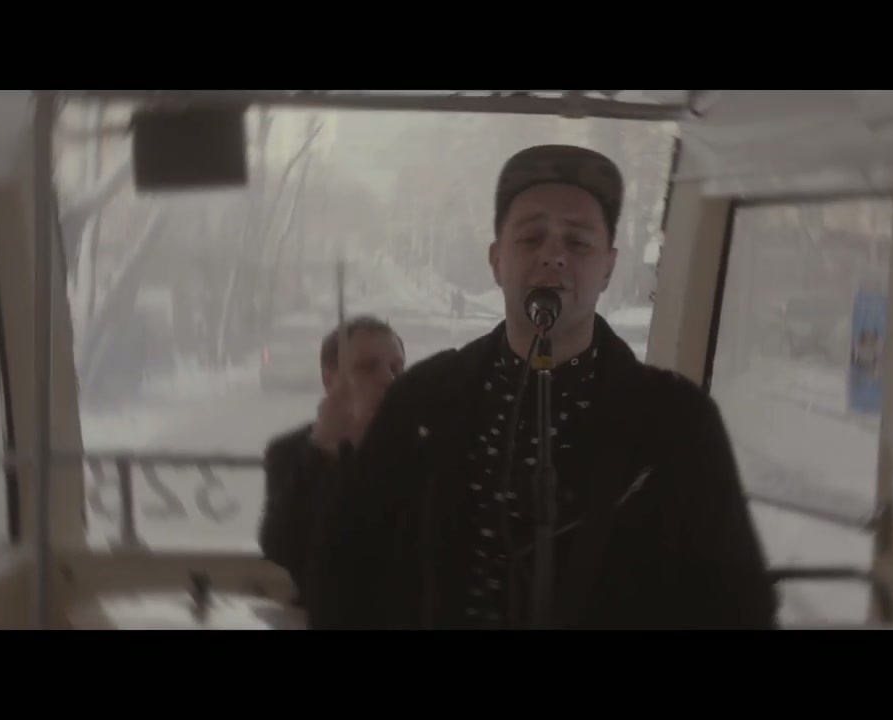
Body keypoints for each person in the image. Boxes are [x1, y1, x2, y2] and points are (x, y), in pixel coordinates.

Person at [313, 144, 777, 630]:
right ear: (496, 260)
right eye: (531, 237)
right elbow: (345, 575)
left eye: (577, 243)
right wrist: (328, 461)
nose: (553, 256)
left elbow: (736, 606)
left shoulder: (679, 423)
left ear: (608, 268)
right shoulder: (420, 401)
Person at [257, 315, 405, 608]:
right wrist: (322, 450)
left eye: (396, 368)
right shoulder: (291, 451)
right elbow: (279, 547)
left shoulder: (420, 445)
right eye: (368, 367)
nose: (388, 379)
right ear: (330, 380)